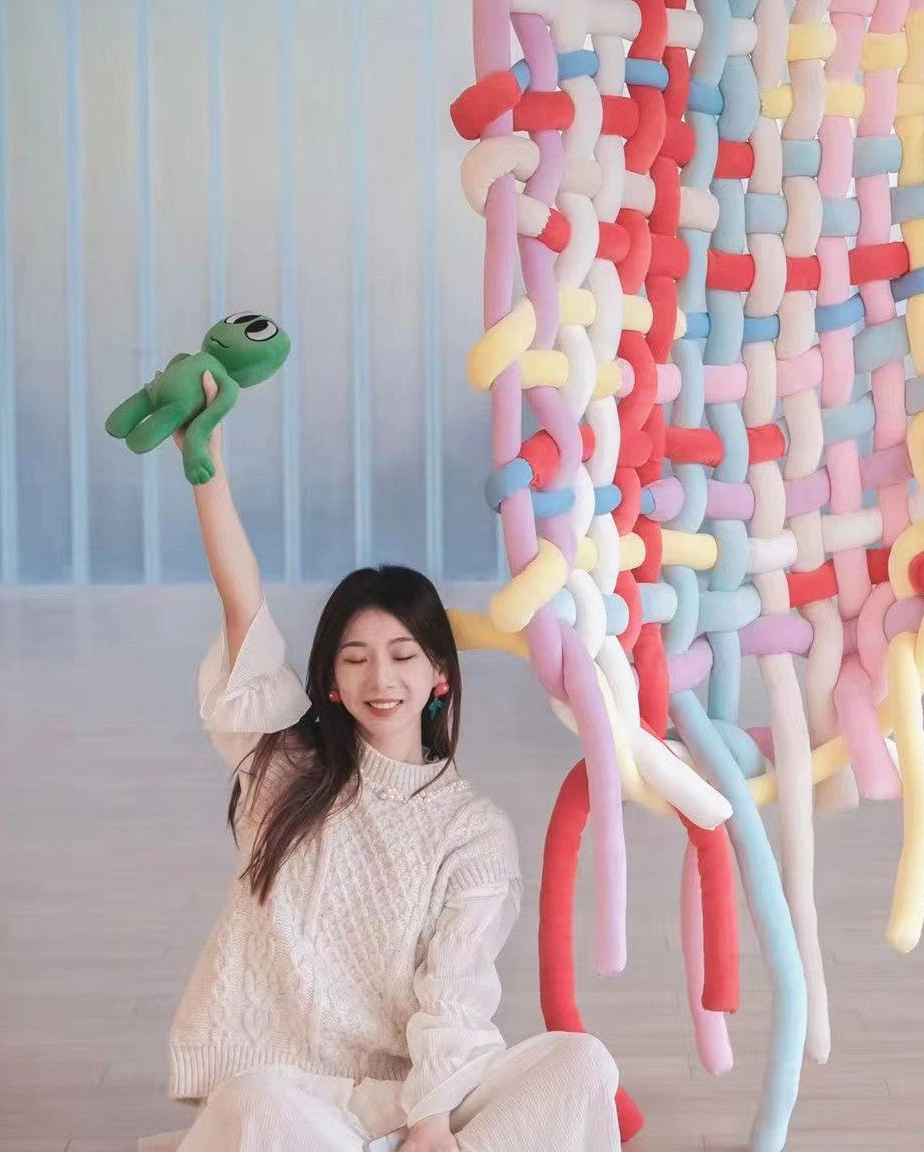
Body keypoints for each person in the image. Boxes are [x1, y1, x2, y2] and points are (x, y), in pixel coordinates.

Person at [161, 374, 622, 1152]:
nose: (381, 678)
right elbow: (243, 606)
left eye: (403, 655)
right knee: (254, 1104)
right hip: (298, 1099)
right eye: (356, 658)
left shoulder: (472, 828)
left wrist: (431, 1120)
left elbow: (455, 991)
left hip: (414, 1103)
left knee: (581, 1063)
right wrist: (206, 467)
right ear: (330, 682)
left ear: (439, 673)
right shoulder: (282, 768)